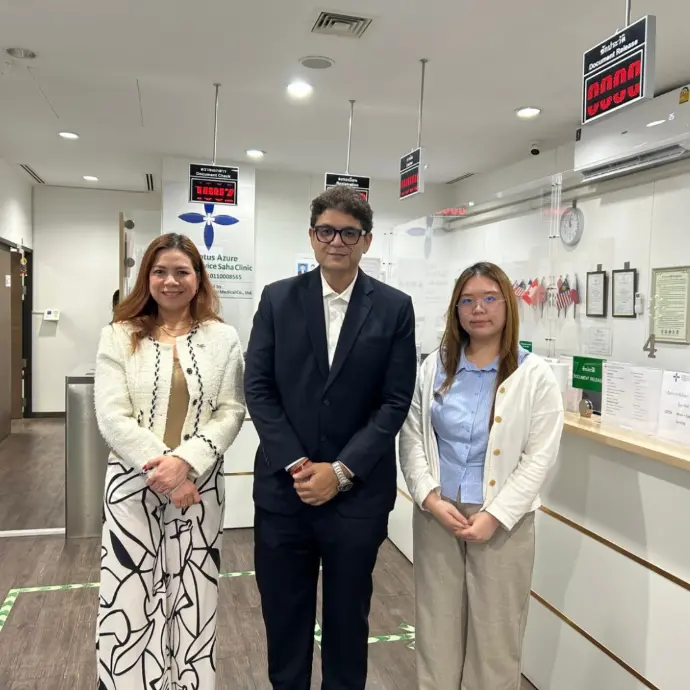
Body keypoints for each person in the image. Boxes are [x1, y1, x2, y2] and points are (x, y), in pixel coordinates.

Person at [244, 185, 417, 690]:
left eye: (349, 233)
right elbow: (258, 387)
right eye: (326, 231)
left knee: (348, 622)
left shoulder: (394, 308)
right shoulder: (278, 299)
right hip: (285, 492)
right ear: (312, 236)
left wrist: (340, 472)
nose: (336, 242)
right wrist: (299, 465)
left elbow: (394, 401)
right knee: (284, 619)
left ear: (366, 241)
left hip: (357, 497)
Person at [399, 261, 564, 690]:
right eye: (467, 300)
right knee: (436, 629)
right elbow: (412, 435)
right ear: (455, 310)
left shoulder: (534, 376)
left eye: (490, 298)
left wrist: (495, 516)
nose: (478, 309)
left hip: (502, 523)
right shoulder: (434, 368)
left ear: (508, 305)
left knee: (495, 637)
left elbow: (539, 457)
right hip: (439, 515)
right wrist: (429, 497)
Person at [94, 233, 246, 690]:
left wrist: (187, 464)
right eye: (160, 272)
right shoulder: (118, 334)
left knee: (195, 599)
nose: (170, 281)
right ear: (147, 277)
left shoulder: (223, 337)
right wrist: (167, 469)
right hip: (131, 485)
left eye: (182, 271)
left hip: (200, 487)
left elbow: (231, 410)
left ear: (198, 279)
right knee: (130, 599)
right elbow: (112, 415)